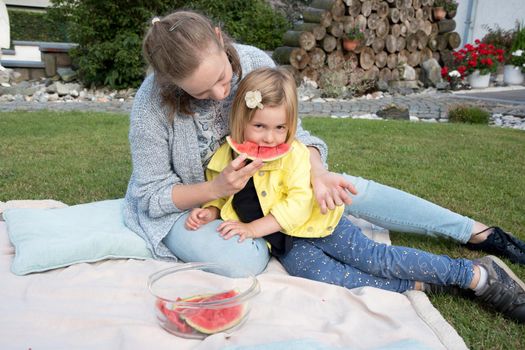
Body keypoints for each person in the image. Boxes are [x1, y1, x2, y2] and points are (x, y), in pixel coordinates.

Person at [123, 9, 525, 281]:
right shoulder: (150, 107)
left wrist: (317, 174)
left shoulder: (252, 59)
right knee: (244, 260)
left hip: (279, 180)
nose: (219, 93)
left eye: (224, 78)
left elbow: (296, 135)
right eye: (201, 90)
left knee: (344, 188)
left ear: (218, 37)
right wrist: (216, 191)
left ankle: (477, 233)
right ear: (170, 83)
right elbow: (150, 195)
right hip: (204, 202)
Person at [184, 66, 525, 323]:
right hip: (288, 244)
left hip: (321, 222)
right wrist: (212, 210)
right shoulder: (224, 158)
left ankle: (474, 275)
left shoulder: (295, 153)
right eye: (260, 127)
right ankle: (422, 286)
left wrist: (252, 229)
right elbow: (226, 194)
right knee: (325, 278)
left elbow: (299, 202)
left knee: (377, 259)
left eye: (280, 128)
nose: (272, 139)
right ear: (241, 119)